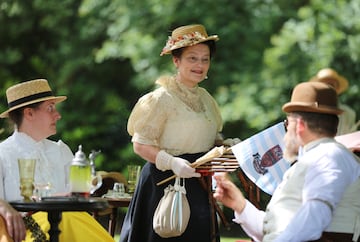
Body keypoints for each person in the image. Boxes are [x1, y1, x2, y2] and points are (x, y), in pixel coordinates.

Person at [214, 82, 360, 242]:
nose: (285, 133)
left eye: (287, 124)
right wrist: (240, 204)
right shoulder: (319, 157)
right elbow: (280, 228)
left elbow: (314, 217)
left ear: (299, 126)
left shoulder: (329, 156)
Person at [120, 24, 224, 242]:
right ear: (176, 61)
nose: (200, 65)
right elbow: (140, 144)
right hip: (164, 182)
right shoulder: (161, 98)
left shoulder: (206, 98)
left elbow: (207, 138)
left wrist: (225, 145)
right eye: (192, 58)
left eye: (205, 59)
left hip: (198, 181)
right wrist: (172, 162)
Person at [0, 79, 115, 242]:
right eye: (50, 108)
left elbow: (78, 196)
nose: (58, 115)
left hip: (69, 223)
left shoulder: (60, 151)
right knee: (67, 219)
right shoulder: (3, 154)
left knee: (71, 218)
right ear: (29, 113)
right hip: (24, 233)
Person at [309, 68, 359, 135]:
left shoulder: (349, 114)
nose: (328, 88)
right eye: (324, 85)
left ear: (337, 88)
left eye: (332, 85)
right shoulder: (309, 112)